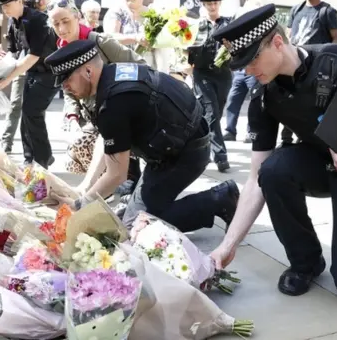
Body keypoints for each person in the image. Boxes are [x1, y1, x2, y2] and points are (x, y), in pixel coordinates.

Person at [210, 4, 337, 300]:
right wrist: (227, 246)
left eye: (252, 59)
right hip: (319, 163)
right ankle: (305, 262)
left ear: (278, 43)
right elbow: (255, 178)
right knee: (273, 171)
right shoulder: (264, 96)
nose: (248, 71)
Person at [45, 40, 240, 233]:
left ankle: (219, 199)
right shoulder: (114, 73)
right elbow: (107, 141)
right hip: (180, 143)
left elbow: (116, 174)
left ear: (88, 71)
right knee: (128, 217)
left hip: (184, 155)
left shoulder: (113, 104)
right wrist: (84, 191)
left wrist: (80, 205)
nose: (65, 87)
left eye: (67, 79)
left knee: (135, 228)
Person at [47, 0, 145, 207]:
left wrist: (120, 91)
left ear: (77, 17)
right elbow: (69, 90)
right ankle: (103, 187)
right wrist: (72, 116)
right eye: (56, 24)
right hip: (96, 113)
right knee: (78, 146)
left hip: (122, 109)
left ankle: (126, 182)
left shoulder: (101, 41)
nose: (62, 29)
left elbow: (140, 66)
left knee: (113, 142)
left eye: (66, 21)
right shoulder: (60, 50)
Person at [0, 0, 61, 169]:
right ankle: (30, 158)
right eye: (2, 6)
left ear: (20, 0)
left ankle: (42, 160)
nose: (4, 9)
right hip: (32, 73)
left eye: (7, 5)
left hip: (49, 73)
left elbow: (33, 56)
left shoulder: (38, 20)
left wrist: (7, 78)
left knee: (33, 112)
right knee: (26, 113)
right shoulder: (13, 23)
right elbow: (13, 54)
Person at [281, 0, 337, 145]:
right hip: (295, 62)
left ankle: (306, 137)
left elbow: (336, 37)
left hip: (316, 64)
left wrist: (332, 60)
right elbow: (288, 34)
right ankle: (286, 138)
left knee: (312, 103)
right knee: (289, 99)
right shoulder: (296, 9)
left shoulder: (326, 11)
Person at [186, 0, 232, 173]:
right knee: (212, 113)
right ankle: (221, 156)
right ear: (203, 5)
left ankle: (195, 143)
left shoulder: (229, 23)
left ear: (219, 3)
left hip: (223, 74)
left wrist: (232, 46)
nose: (212, 6)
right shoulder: (195, 25)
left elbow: (238, 45)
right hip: (202, 73)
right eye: (209, 3)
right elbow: (186, 48)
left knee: (215, 114)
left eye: (215, 2)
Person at [223, 0, 262, 143]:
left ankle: (251, 133)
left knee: (254, 102)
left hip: (254, 68)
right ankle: (230, 130)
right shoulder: (238, 26)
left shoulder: (259, 28)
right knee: (233, 99)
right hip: (240, 70)